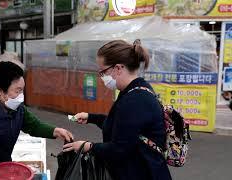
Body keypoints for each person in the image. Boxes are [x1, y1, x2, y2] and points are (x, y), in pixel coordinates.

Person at [63, 40, 172, 180]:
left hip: (143, 173)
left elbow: (119, 148)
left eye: (103, 71)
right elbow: (121, 126)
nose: (102, 77)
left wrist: (88, 146)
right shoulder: (135, 90)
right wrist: (91, 117)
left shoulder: (136, 99)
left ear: (118, 68)